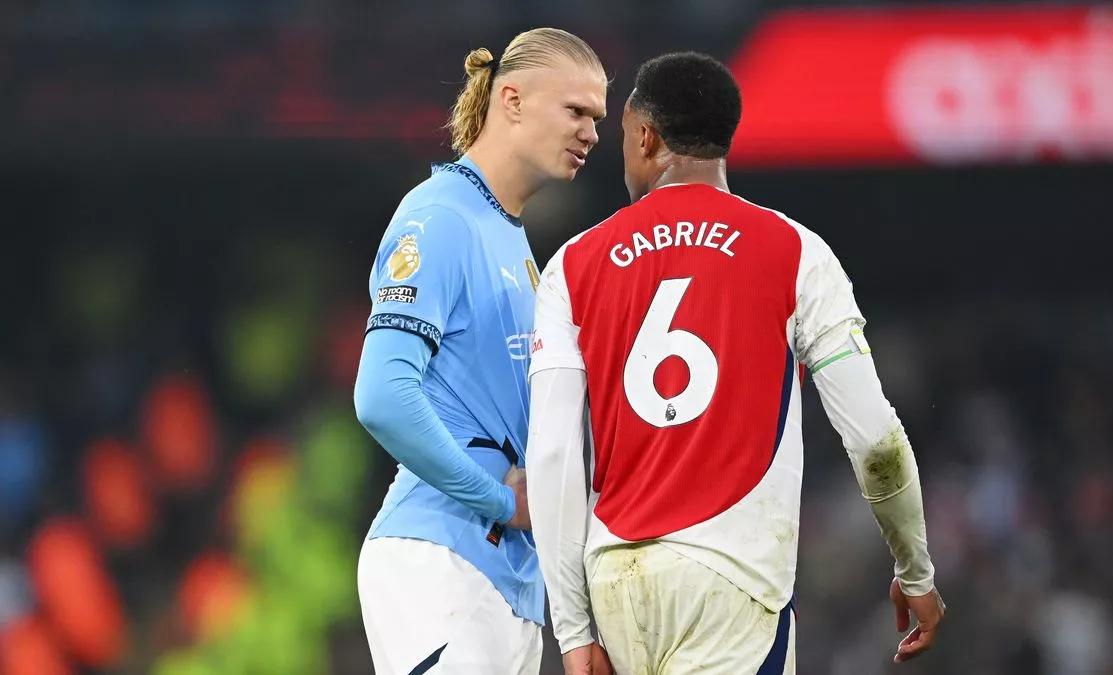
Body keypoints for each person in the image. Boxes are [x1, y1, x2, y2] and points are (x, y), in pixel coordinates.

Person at [525, 51, 944, 675]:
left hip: (615, 583)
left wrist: (572, 628)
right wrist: (915, 571)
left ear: (646, 136)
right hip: (732, 583)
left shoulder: (572, 265)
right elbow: (875, 440)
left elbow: (554, 455)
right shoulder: (796, 253)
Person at [352, 28, 607, 675]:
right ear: (512, 100)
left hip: (506, 582)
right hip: (441, 564)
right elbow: (382, 396)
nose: (591, 134)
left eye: (598, 119)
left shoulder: (508, 235)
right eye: (576, 111)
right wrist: (498, 499)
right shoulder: (439, 217)